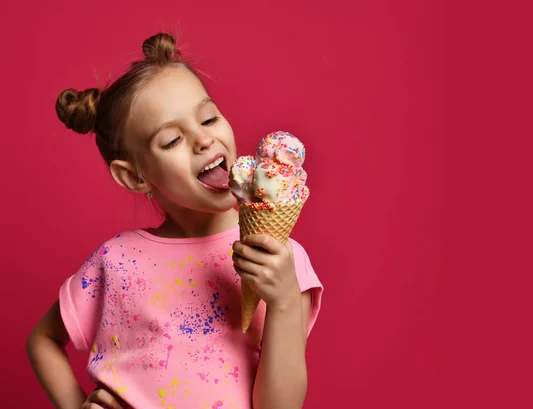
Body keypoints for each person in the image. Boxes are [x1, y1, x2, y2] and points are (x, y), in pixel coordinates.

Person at [26, 32, 323, 409]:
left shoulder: (279, 259)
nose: (203, 140)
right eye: (171, 141)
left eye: (209, 118)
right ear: (135, 177)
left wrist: (282, 302)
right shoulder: (116, 261)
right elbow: (43, 339)